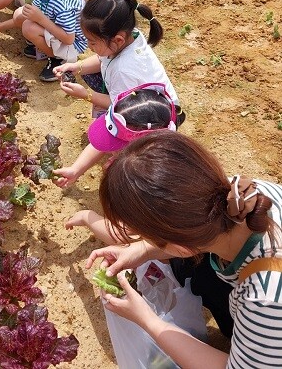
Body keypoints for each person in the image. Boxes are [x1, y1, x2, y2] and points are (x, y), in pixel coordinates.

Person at [86, 131, 282, 367]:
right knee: (188, 269)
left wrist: (148, 320)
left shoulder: (263, 300)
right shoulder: (243, 198)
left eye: (144, 236)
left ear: (181, 247)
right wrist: (143, 250)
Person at [53, 0, 183, 118]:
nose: (88, 45)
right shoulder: (130, 35)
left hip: (157, 117)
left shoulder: (123, 70)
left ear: (118, 40)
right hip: (150, 99)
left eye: (92, 42)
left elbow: (120, 105)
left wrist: (86, 95)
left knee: (106, 131)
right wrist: (76, 67)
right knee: (89, 73)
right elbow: (102, 59)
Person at [54, 83, 177, 190]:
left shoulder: (153, 180)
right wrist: (76, 170)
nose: (109, 150)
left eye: (116, 144)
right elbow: (99, 146)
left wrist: (89, 217)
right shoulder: (144, 149)